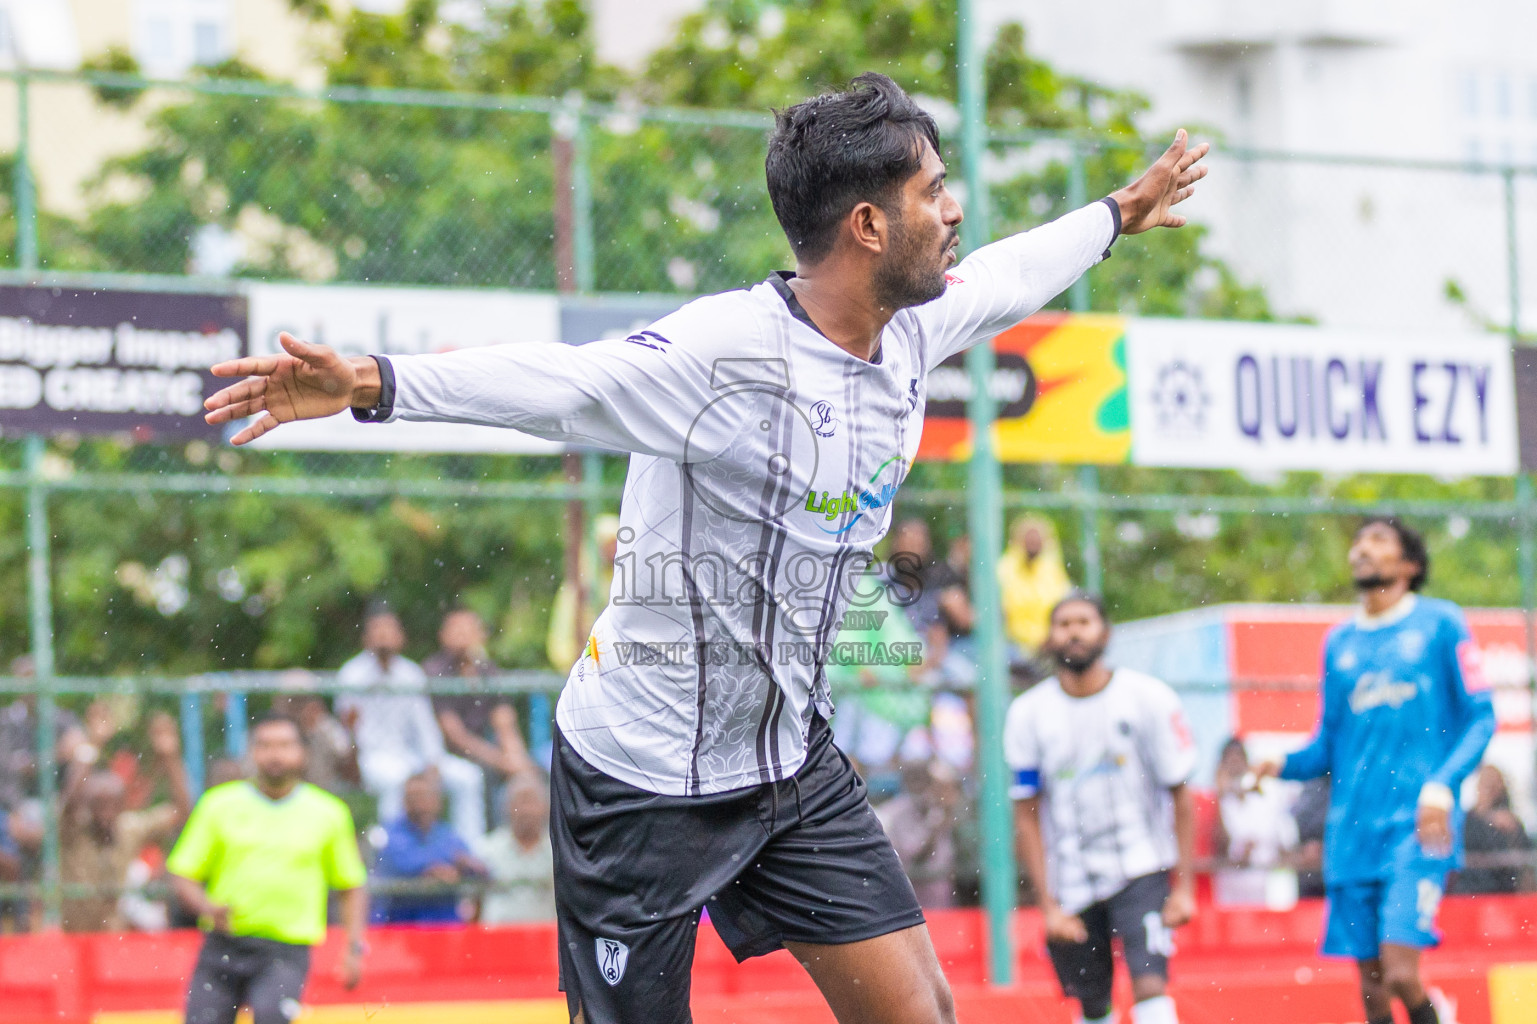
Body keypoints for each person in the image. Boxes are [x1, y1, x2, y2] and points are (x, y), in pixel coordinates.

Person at [204, 71, 1207, 1024]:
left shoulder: (911, 326)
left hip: (783, 761)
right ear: (867, 224)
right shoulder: (721, 354)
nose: (953, 211)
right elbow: (563, 385)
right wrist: (372, 383)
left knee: (919, 1010)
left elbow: (1012, 271)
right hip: (636, 779)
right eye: (933, 190)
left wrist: (1119, 211)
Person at [1255, 517, 1497, 1024]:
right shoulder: (1339, 643)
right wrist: (1283, 763)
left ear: (1410, 565)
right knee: (1371, 990)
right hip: (1351, 836)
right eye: (1358, 540)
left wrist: (1442, 785)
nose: (1363, 548)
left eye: (1379, 540)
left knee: (1401, 973)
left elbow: (1482, 717)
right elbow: (1327, 744)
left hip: (1417, 827)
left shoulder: (1441, 624)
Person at [1006, 593, 1198, 1024]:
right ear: (1050, 637)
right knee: (1094, 1007)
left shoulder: (1149, 698)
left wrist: (1184, 887)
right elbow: (1026, 813)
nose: (1074, 631)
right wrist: (1048, 905)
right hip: (1071, 879)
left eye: (1084, 622)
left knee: (1151, 989)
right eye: (1064, 624)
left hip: (1141, 867)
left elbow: (1181, 794)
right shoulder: (1026, 714)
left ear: (1105, 633)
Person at [168, 713, 368, 1024]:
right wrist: (205, 906)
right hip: (224, 943)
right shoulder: (218, 805)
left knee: (272, 1017)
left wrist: (353, 949)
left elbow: (350, 886)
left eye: (285, 745)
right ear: (251, 752)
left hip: (285, 950)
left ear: (302, 753)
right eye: (265, 745)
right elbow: (183, 874)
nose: (275, 754)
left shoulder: (329, 814)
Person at [335, 604, 485, 842]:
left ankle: (471, 851)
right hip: (372, 758)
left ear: (400, 637)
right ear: (366, 638)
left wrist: (433, 760)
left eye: (389, 630)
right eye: (377, 630)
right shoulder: (351, 674)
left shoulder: (411, 673)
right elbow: (348, 733)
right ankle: (394, 852)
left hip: (411, 755)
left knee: (468, 777)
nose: (383, 636)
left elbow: (424, 724)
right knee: (397, 779)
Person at [59, 710, 192, 932]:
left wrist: (170, 757)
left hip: (115, 938)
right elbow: (70, 803)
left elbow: (183, 813)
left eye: (112, 805)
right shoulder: (74, 830)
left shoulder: (129, 827)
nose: (106, 814)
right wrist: (92, 744)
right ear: (87, 806)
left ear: (123, 805)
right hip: (75, 938)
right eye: (98, 805)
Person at [423, 608, 537, 808]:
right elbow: (455, 736)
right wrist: (503, 762)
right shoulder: (435, 671)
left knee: (530, 778)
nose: (462, 636)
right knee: (477, 777)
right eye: (456, 629)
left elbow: (505, 724)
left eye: (468, 629)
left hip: (483, 750)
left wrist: (518, 762)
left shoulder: (488, 671)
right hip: (443, 754)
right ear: (443, 635)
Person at [372, 770, 488, 925]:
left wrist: (463, 868)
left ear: (437, 800)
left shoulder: (447, 833)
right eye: (413, 797)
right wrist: (439, 867)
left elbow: (474, 866)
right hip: (401, 927)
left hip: (444, 929)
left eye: (424, 796)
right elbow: (400, 862)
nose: (419, 803)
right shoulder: (389, 833)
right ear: (403, 801)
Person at [876, 761, 963, 908]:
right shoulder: (895, 812)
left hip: (943, 900)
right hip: (911, 898)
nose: (924, 790)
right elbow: (914, 855)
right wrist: (933, 826)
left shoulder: (941, 808)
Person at [476, 775, 557, 924]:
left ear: (546, 806)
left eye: (532, 801)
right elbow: (472, 905)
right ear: (505, 806)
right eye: (519, 801)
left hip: (546, 938)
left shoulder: (558, 852)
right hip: (498, 937)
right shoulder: (486, 849)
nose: (526, 810)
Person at [1451, 764, 1533, 895]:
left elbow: (1521, 860)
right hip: (1470, 892)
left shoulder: (1511, 822)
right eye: (1485, 784)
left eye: (1493, 784)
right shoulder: (1466, 820)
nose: (1489, 789)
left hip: (1503, 892)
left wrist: (1511, 831)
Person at [998, 515, 1071, 657]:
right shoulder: (1004, 569)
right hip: (1013, 646)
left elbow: (1062, 604)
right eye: (1029, 538)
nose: (1033, 543)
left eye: (1037, 539)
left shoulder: (1051, 569)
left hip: (1049, 644)